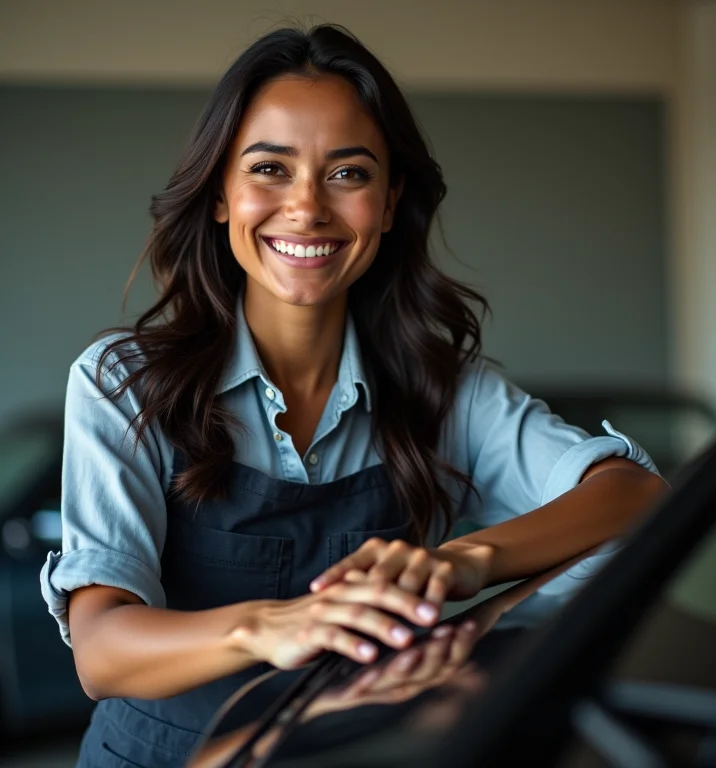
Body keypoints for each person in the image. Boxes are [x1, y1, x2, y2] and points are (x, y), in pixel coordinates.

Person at [40, 23, 667, 768]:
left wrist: (468, 562)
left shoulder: (442, 389)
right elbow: (102, 650)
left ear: (392, 198)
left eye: (348, 174)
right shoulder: (123, 383)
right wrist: (269, 626)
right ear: (219, 195)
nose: (307, 208)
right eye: (270, 169)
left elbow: (636, 497)